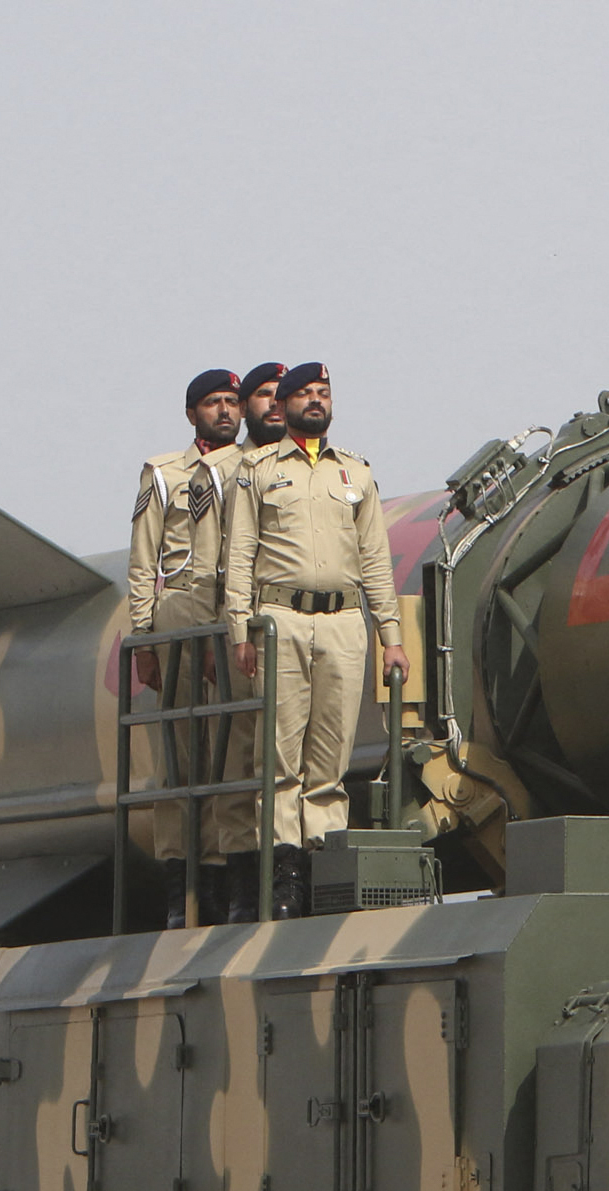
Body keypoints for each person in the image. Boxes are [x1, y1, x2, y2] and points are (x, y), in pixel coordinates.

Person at [221, 363, 407, 917]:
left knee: (329, 759)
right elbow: (239, 556)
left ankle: (321, 871)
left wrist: (390, 635)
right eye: (305, 393)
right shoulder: (257, 469)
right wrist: (240, 629)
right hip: (281, 618)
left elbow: (375, 558)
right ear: (287, 403)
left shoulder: (356, 473)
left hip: (345, 624)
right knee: (279, 757)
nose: (316, 401)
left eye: (324, 393)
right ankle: (285, 881)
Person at [125, 369, 247, 926]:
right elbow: (142, 561)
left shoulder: (255, 469)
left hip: (232, 612)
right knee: (178, 755)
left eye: (232, 402)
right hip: (177, 608)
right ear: (192, 413)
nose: (225, 412)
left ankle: (221, 877)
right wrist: (145, 638)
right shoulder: (163, 473)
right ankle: (181, 886)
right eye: (213, 403)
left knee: (229, 750)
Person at [238, 360, 290, 449]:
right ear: (243, 408)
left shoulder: (314, 461)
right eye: (265, 394)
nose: (275, 403)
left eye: (282, 395)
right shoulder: (217, 463)